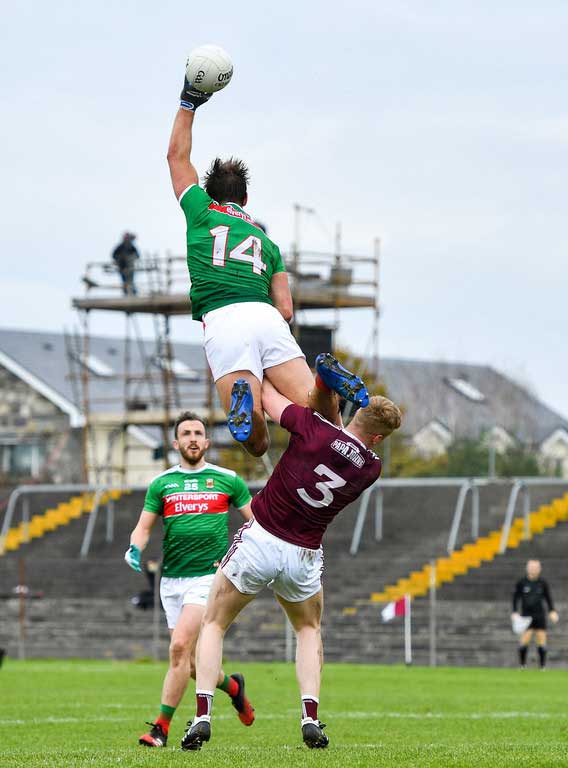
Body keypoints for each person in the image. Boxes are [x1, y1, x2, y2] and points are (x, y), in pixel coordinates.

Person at [180, 355, 402, 751]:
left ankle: (201, 716)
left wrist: (255, 368)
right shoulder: (371, 468)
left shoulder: (313, 428)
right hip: (304, 555)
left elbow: (266, 397)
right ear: (380, 438)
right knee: (308, 630)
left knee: (213, 624)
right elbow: (343, 443)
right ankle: (310, 717)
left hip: (261, 538)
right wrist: (322, 395)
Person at [166, 75, 368, 457]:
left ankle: (253, 409)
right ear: (245, 197)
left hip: (224, 321)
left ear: (210, 194)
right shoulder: (267, 242)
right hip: (266, 318)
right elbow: (286, 309)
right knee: (322, 420)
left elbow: (177, 158)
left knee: (256, 443)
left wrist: (189, 101)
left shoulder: (200, 212)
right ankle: (323, 384)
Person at [124, 410, 255, 747]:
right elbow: (143, 527)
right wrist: (134, 549)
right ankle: (234, 687)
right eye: (187, 434)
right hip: (172, 581)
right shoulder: (162, 483)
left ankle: (161, 729)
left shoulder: (228, 479)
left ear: (207, 441)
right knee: (193, 664)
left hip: (209, 578)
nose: (193, 438)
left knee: (179, 647)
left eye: (198, 433)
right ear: (175, 442)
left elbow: (255, 523)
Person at [512, 559, 559, 670]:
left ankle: (542, 666)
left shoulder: (542, 583)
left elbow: (548, 598)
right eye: (531, 567)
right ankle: (522, 665)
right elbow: (515, 598)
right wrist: (514, 612)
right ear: (527, 568)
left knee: (541, 640)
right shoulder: (521, 583)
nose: (533, 569)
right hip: (526, 616)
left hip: (539, 616)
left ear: (539, 569)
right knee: (524, 641)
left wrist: (552, 611)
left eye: (536, 567)